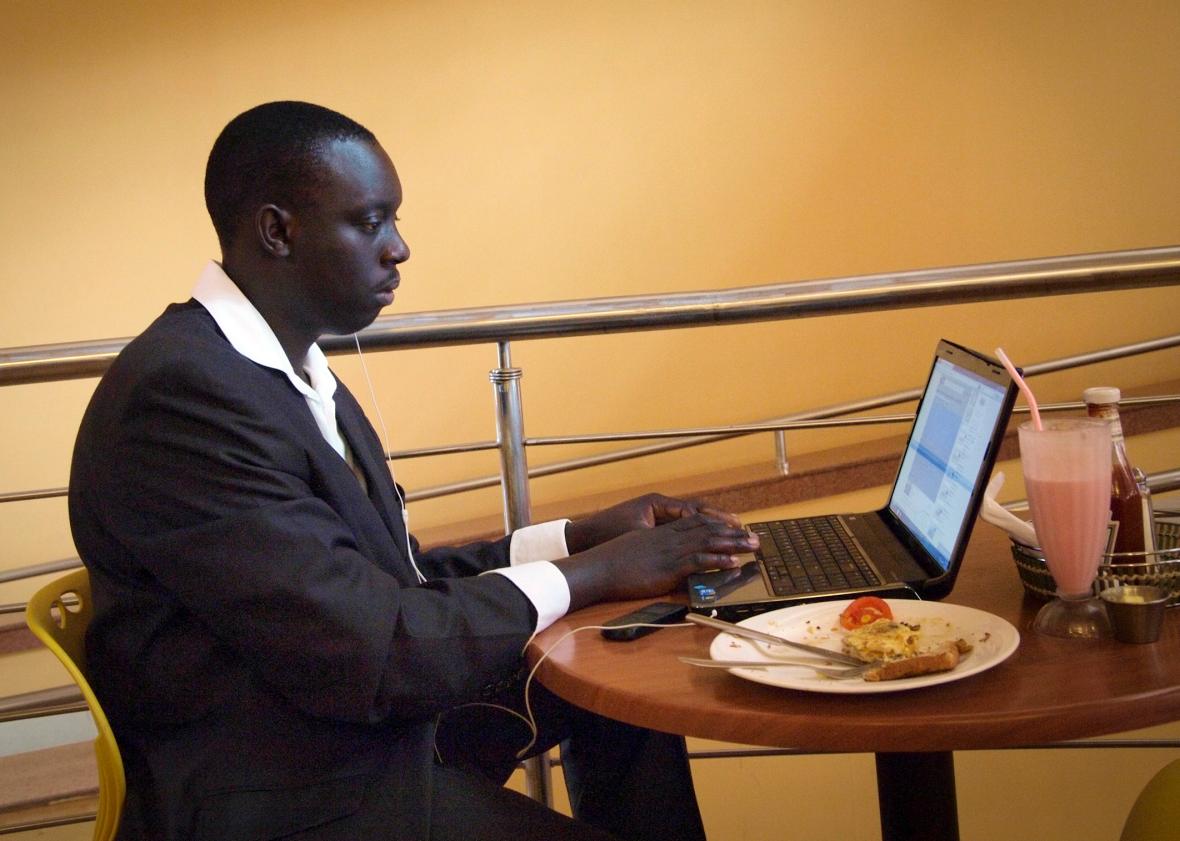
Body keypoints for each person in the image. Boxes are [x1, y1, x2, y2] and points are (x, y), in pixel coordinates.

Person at [68, 101, 759, 841]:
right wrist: (597, 573)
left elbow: (393, 584)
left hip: (357, 732)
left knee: (614, 682)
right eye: (370, 223)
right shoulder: (184, 398)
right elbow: (376, 648)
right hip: (291, 795)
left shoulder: (284, 369)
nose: (398, 248)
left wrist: (578, 538)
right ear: (278, 231)